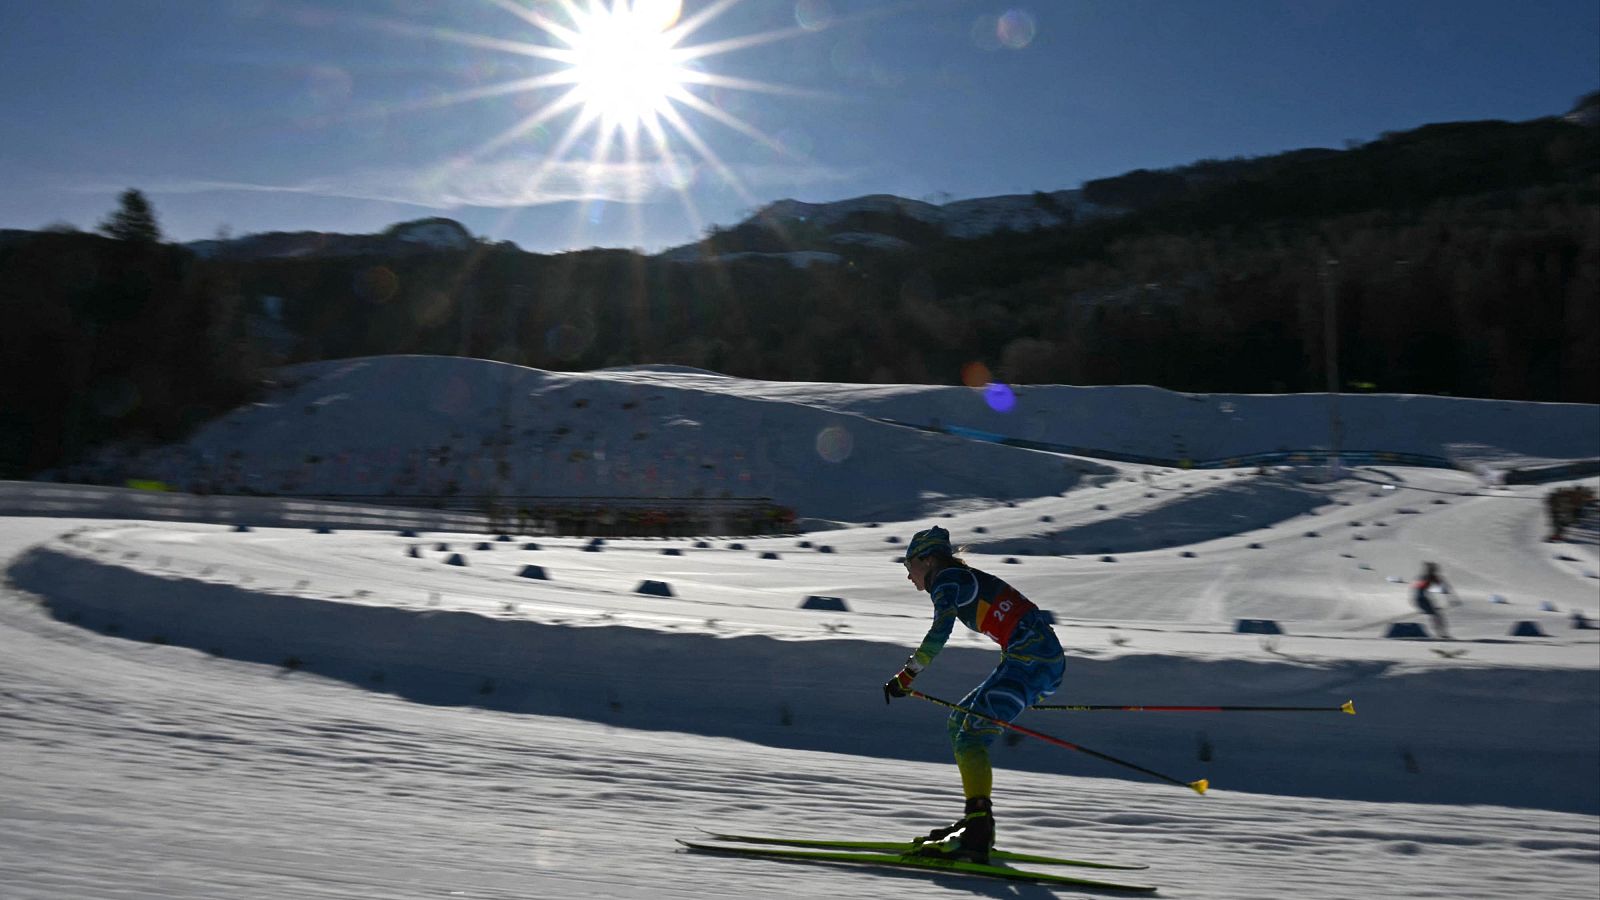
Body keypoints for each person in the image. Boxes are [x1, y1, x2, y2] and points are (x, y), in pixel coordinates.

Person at [882, 526, 1066, 863]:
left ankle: (978, 831)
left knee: (971, 737)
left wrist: (906, 676)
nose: (909, 576)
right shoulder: (957, 576)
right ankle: (976, 821)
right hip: (1035, 660)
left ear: (927, 559)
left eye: (909, 566)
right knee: (959, 724)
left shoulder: (947, 580)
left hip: (1031, 661)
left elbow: (940, 632)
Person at [1412, 562, 1454, 639]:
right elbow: (1441, 587)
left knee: (1437, 615)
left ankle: (1441, 633)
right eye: (1433, 569)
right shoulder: (1428, 577)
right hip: (1422, 598)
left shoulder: (1426, 576)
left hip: (1422, 598)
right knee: (1436, 615)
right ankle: (1441, 634)